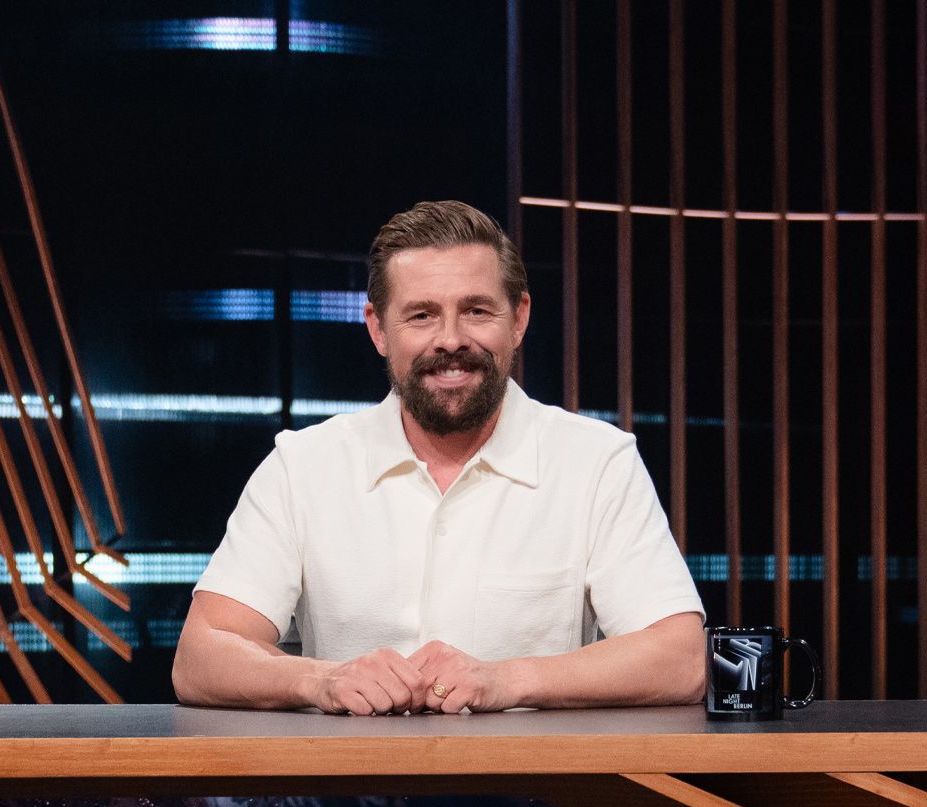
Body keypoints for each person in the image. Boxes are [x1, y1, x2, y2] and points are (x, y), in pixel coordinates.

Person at [173, 200, 706, 715]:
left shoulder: (596, 462)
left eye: (476, 311)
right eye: (422, 315)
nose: (450, 340)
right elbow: (201, 658)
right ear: (378, 329)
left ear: (518, 319)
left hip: (538, 780)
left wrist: (507, 679)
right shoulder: (303, 466)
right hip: (349, 780)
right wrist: (321, 680)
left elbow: (682, 659)